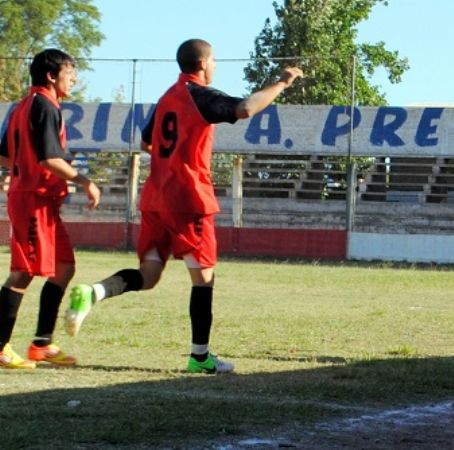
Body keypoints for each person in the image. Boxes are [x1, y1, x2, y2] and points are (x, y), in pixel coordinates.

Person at [65, 38, 303, 374]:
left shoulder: (167, 97)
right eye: (214, 60)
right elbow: (246, 108)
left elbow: (147, 140)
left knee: (148, 275)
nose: (215, 65)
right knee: (203, 278)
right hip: (188, 198)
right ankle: (199, 356)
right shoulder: (200, 95)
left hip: (155, 198)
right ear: (204, 63)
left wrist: (172, 159)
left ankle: (94, 292)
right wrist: (282, 82)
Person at [0, 49, 101, 369]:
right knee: (24, 271)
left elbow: (5, 154)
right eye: (70, 72)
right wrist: (86, 181)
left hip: (40, 200)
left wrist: (18, 170)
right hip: (32, 200)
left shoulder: (23, 106)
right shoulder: (43, 104)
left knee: (63, 267)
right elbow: (48, 159)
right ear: (50, 75)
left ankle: (41, 344)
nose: (73, 78)